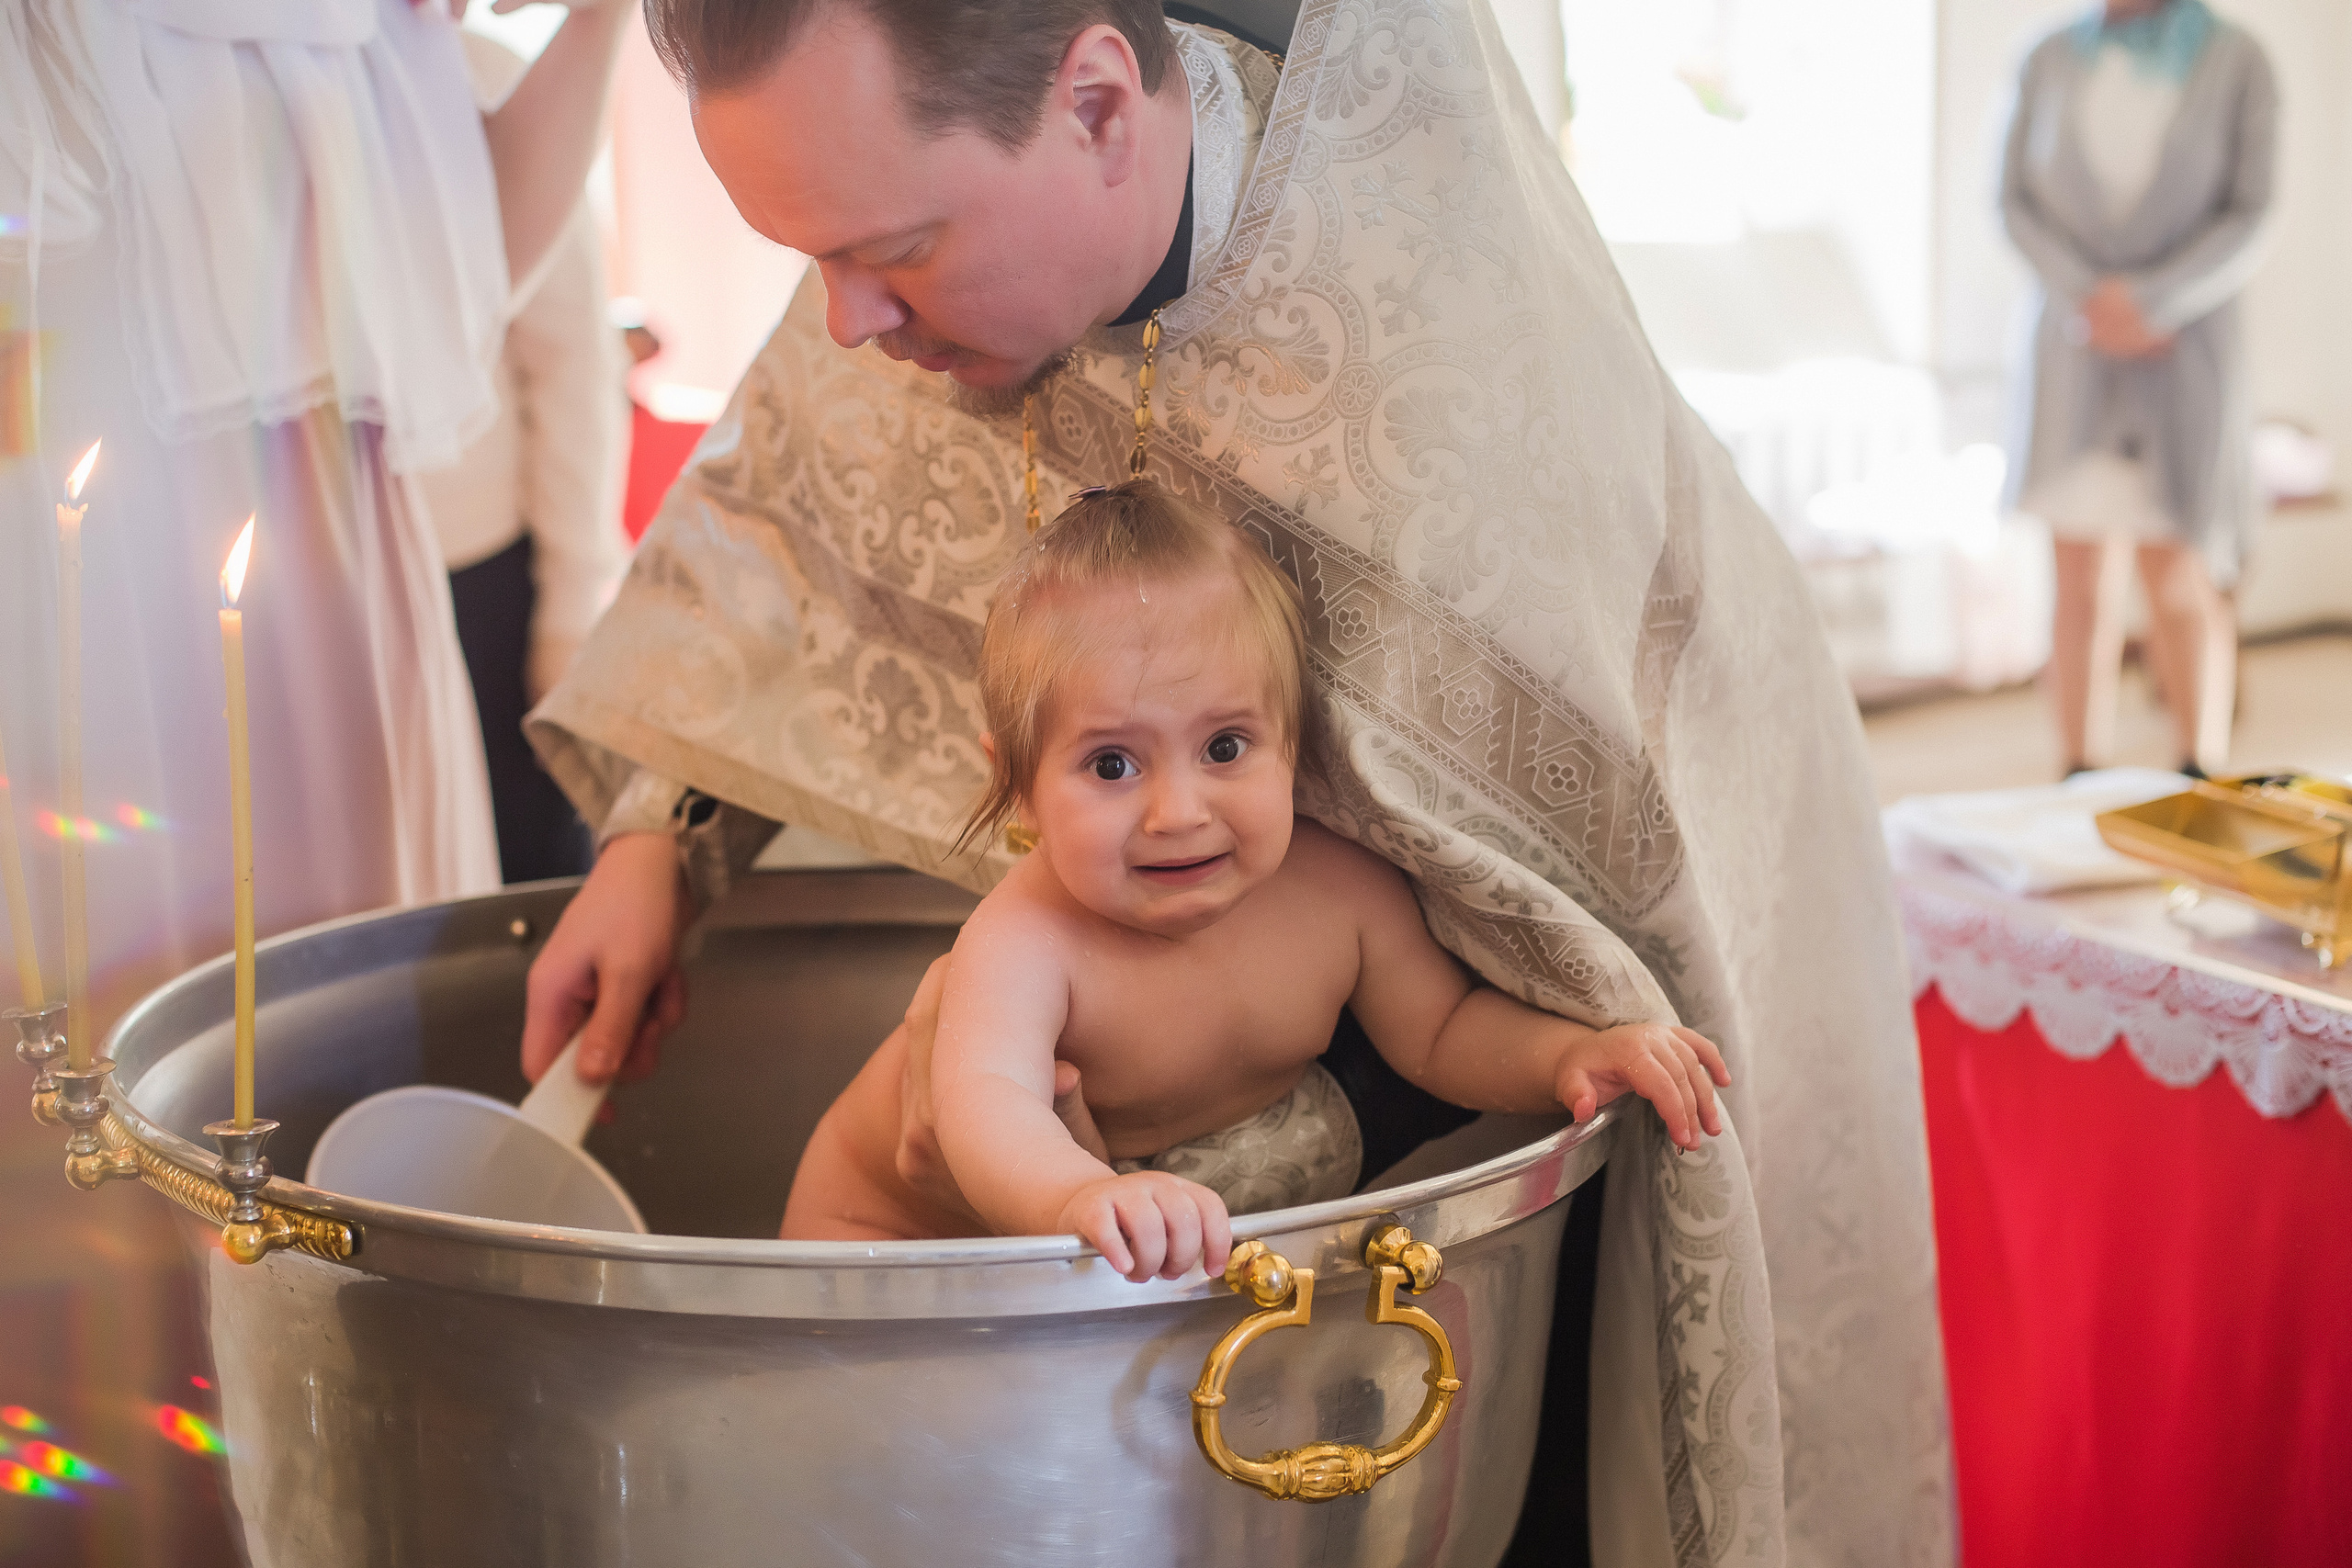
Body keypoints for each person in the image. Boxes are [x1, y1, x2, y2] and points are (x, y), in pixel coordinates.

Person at [523, 3, 1951, 1560]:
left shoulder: (1419, 285)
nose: (846, 324)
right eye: (805, 259)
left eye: (892, 250)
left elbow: (1539, 873)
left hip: (1473, 1060)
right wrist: (659, 837)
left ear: (1096, 105)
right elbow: (812, 487)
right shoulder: (928, 221)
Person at [785, 482, 1731, 1280]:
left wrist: (1566, 1057)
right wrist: (1079, 1193)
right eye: (1111, 765)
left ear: (1297, 746)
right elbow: (988, 1103)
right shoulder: (1025, 940)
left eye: (1225, 747)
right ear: (1017, 787)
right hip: (874, 1246)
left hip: (1078, 1266)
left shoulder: (1335, 894)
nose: (1177, 811)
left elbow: (1438, 1032)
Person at [0, 0, 634, 1030]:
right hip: (88, 575)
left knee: (362, 1032)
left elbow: (473, 277)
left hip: (350, 573)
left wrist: (604, 15)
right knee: (117, 1034)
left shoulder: (376, 21)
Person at [2001, 0, 2277, 778]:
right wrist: (2093, 298)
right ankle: (2075, 778)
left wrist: (2154, 301)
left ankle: (2197, 771)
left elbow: (2253, 211)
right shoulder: (2046, 57)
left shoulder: (2238, 61)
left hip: (2184, 353)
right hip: (2071, 348)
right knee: (2079, 576)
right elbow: (2011, 201)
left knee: (2180, 575)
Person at [423, 31, 632, 885]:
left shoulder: (484, 82)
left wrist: (570, 611)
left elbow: (576, 365)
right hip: (316, 595)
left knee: (526, 872)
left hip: (489, 587)